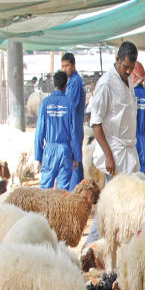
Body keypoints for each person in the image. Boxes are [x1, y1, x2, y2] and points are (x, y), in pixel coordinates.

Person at [86, 41, 140, 243]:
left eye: (131, 68)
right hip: (115, 153)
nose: (128, 71)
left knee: (127, 202)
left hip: (127, 150)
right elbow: (95, 122)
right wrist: (108, 154)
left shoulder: (129, 81)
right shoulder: (106, 84)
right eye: (125, 67)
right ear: (117, 60)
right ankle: (91, 246)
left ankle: (120, 242)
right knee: (111, 203)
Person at [34, 71, 80, 190]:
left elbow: (39, 132)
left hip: (49, 150)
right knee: (62, 190)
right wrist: (77, 157)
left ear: (54, 84)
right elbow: (74, 133)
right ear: (66, 85)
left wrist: (38, 155)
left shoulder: (45, 104)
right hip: (65, 151)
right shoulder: (69, 104)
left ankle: (43, 209)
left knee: (44, 189)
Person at [61, 52, 85, 190]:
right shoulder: (70, 82)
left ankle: (74, 192)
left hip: (74, 127)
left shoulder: (75, 82)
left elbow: (70, 106)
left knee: (75, 159)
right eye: (63, 66)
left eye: (67, 66)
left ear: (73, 65)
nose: (65, 69)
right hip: (71, 127)